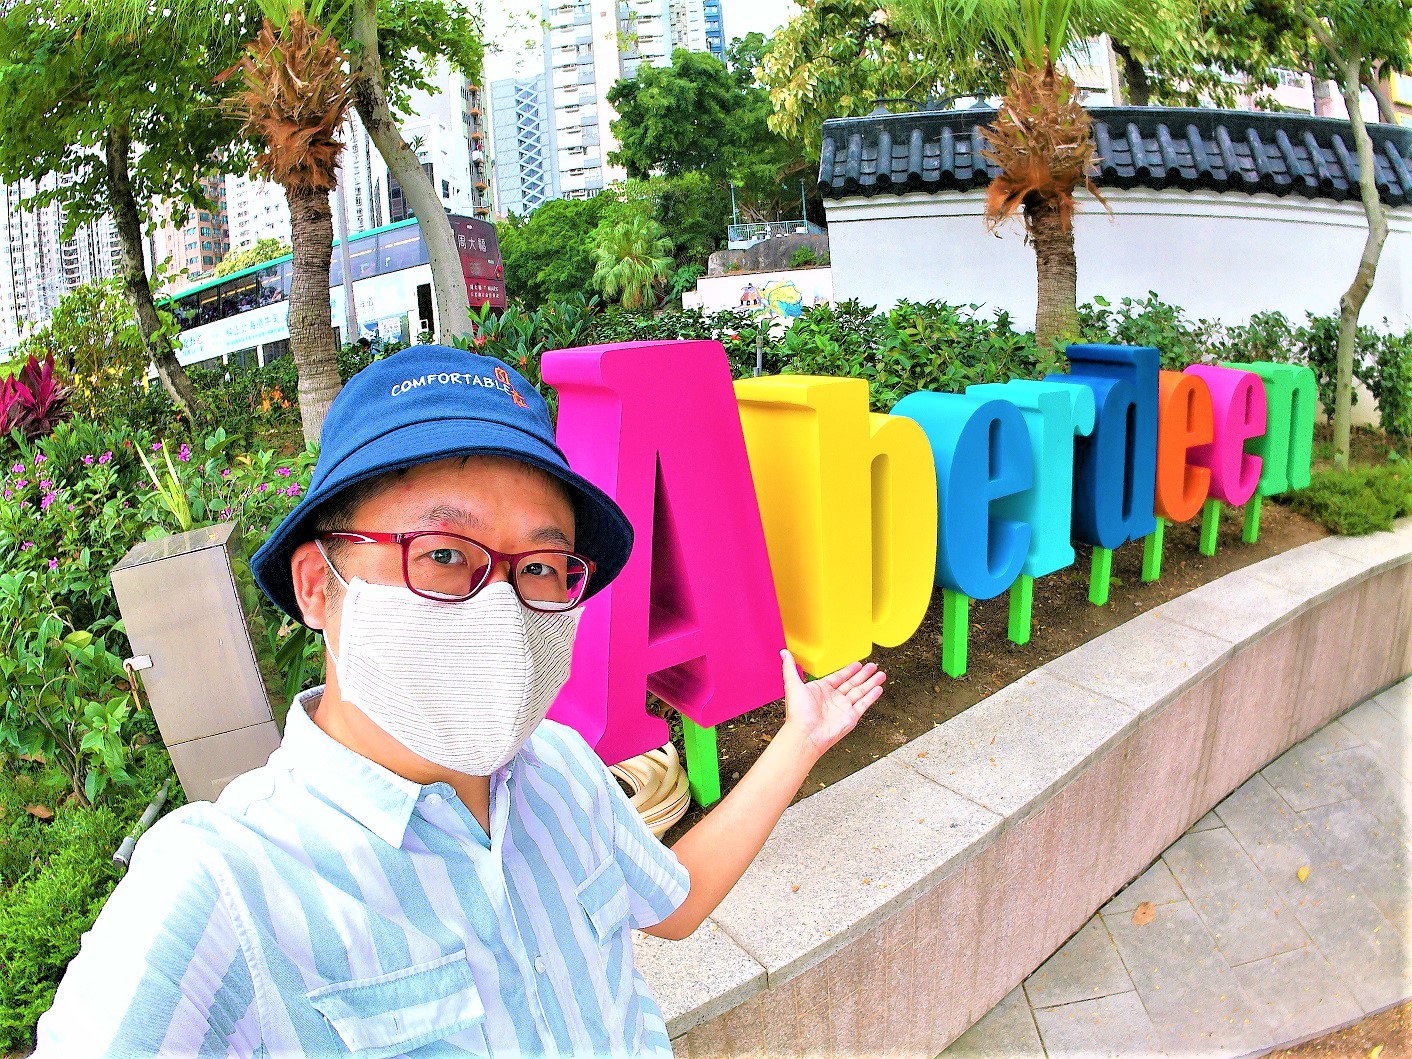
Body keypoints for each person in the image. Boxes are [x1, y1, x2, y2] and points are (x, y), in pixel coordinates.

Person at [35, 344, 886, 1057]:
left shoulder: (557, 771)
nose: (506, 607)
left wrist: (798, 741)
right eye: (444, 554)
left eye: (542, 567)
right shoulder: (224, 891)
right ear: (317, 586)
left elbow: (674, 903)